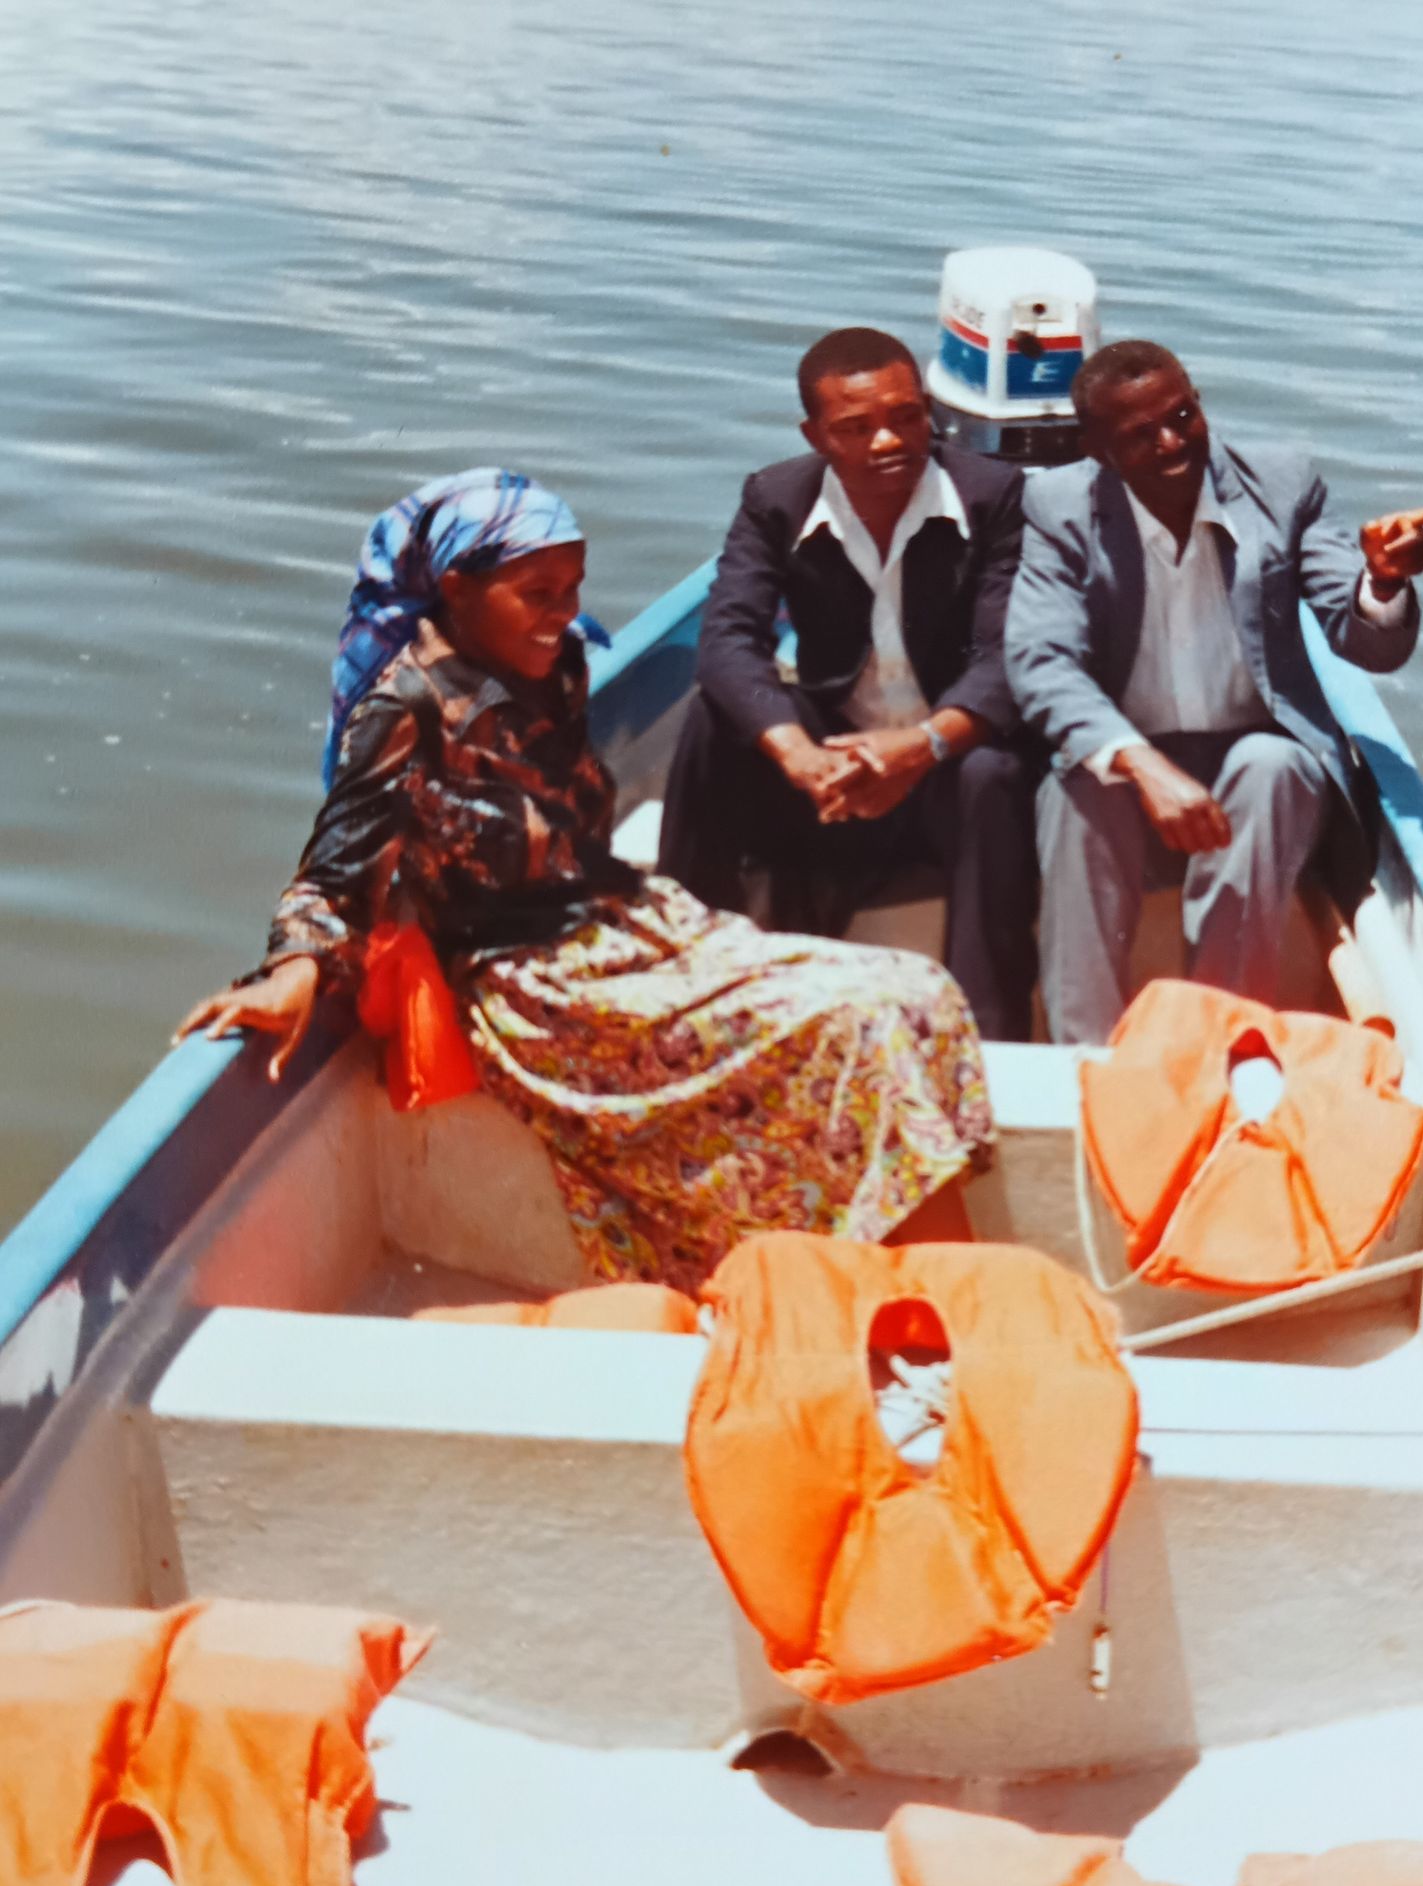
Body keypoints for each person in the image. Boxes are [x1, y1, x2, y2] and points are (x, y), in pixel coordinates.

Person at [174, 469, 992, 1291]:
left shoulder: (556, 664)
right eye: (538, 593)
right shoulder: (404, 710)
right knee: (861, 1017)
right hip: (538, 987)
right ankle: (937, 1294)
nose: (565, 614)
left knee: (914, 990)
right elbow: (333, 869)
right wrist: (292, 973)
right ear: (456, 588)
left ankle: (922, 1280)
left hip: (630, 925)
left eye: (573, 588)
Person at [1004, 340, 1423, 1045]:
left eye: (1182, 414)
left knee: (1267, 769)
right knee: (1075, 798)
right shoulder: (1058, 507)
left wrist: (1385, 582)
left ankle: (1222, 1040)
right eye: (1139, 434)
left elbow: (1369, 643)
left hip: (1266, 761)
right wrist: (1141, 765)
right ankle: (1085, 1064)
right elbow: (1041, 662)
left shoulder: (1280, 484)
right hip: (1135, 764)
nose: (1171, 440)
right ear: (1095, 448)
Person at [656, 328, 1041, 1041]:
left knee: (995, 771)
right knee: (715, 719)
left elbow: (1008, 658)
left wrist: (920, 749)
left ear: (930, 411)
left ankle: (987, 1032)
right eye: (856, 428)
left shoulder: (995, 496)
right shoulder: (776, 498)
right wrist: (801, 755)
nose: (889, 442)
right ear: (817, 435)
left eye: (905, 417)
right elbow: (728, 641)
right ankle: (686, 972)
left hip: (950, 759)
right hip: (838, 759)